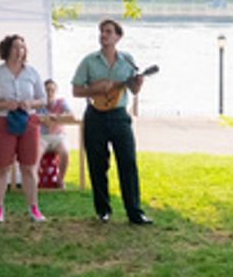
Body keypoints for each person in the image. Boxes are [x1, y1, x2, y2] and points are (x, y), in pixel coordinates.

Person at [72, 19, 152, 225]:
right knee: (97, 164)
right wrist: (95, 89)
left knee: (128, 162)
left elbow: (133, 90)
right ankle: (103, 210)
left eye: (108, 32)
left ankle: (135, 212)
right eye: (101, 31)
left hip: (119, 116)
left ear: (118, 37)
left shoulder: (127, 60)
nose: (103, 35)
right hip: (95, 116)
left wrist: (138, 83)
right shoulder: (89, 61)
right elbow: (76, 90)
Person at [0, 34, 48, 222]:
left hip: (28, 123)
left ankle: (34, 208)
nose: (20, 51)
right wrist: (4, 105)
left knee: (28, 167)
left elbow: (43, 100)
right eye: (15, 47)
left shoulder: (32, 73)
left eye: (22, 47)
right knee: (2, 167)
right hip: (3, 123)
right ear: (6, 50)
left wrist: (30, 102)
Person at [38, 79, 75, 185]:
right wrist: (44, 118)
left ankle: (60, 180)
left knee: (65, 153)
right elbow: (31, 117)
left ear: (56, 91)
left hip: (58, 136)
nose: (49, 92)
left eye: (52, 90)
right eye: (47, 90)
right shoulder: (39, 104)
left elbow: (71, 115)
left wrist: (57, 117)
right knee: (35, 155)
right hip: (43, 137)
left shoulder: (61, 102)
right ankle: (35, 180)